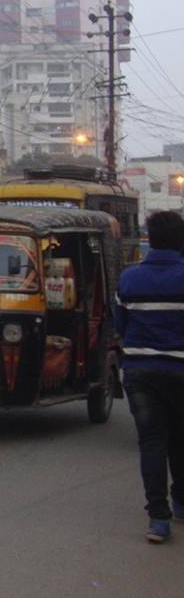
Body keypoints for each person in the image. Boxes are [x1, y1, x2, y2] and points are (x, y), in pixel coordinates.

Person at [114, 210, 184, 544]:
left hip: (139, 372)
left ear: (150, 239)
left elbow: (121, 327)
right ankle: (181, 502)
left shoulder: (129, 278)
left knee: (152, 442)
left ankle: (159, 519)